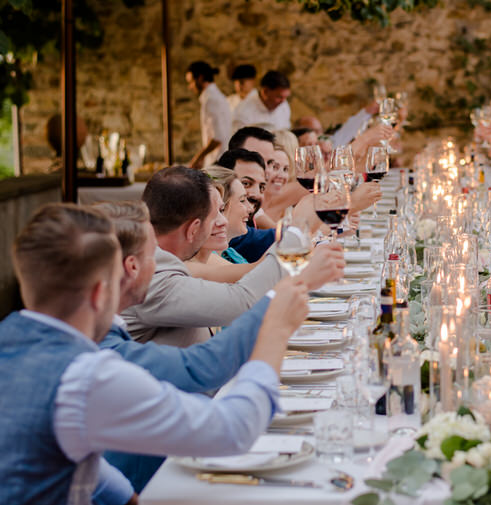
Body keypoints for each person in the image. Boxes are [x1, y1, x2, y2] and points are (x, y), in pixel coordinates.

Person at [0, 203, 310, 505]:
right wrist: (275, 327)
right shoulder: (86, 377)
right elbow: (232, 430)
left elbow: (71, 449)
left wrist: (123, 496)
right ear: (100, 292)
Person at [91, 201, 329, 492]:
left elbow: (97, 474)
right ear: (132, 266)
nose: (161, 261)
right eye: (154, 253)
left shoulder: (96, 339)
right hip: (155, 475)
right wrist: (276, 311)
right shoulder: (101, 356)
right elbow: (204, 372)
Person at [120, 166, 344, 346]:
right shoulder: (150, 273)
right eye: (217, 213)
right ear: (193, 229)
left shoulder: (159, 259)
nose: (223, 221)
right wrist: (296, 229)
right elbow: (241, 302)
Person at [186, 61, 231, 169]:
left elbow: (217, 138)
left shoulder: (212, 100)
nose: (190, 87)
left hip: (218, 162)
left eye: (191, 82)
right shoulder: (214, 97)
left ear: (200, 78)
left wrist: (198, 158)